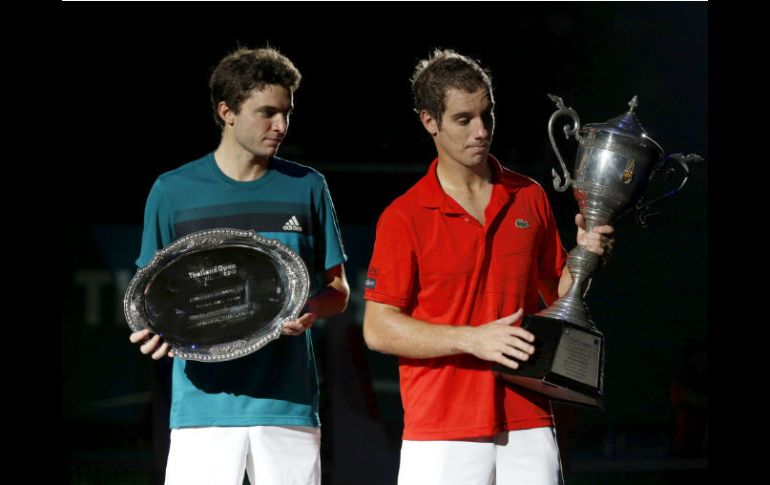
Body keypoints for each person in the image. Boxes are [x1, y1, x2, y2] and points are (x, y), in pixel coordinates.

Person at [362, 49, 614, 485]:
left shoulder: (528, 195)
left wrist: (586, 255)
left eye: (487, 115)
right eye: (464, 119)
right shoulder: (403, 217)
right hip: (441, 426)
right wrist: (474, 339)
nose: (481, 131)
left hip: (529, 414)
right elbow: (379, 329)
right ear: (429, 122)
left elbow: (559, 291)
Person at [129, 47, 350, 485]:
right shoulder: (172, 192)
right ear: (226, 111)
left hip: (287, 406)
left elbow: (339, 292)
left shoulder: (307, 187)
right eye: (267, 112)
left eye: (286, 112)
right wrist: (151, 330)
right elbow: (151, 296)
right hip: (202, 410)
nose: (281, 126)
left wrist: (311, 310)